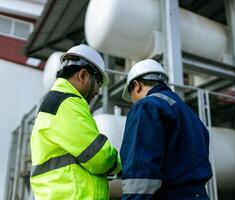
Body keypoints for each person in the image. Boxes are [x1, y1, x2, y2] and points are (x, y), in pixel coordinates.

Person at [30, 44, 121, 200]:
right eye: (98, 83)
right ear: (83, 75)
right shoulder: (66, 103)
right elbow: (99, 157)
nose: (98, 92)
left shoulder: (57, 102)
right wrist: (118, 165)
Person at [120, 59, 212, 199]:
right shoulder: (190, 114)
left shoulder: (146, 106)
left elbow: (140, 174)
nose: (134, 102)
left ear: (136, 85)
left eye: (133, 97)